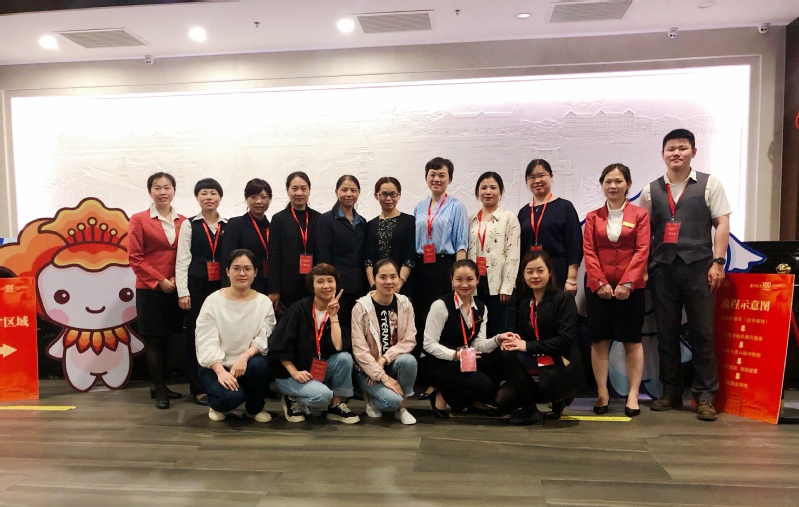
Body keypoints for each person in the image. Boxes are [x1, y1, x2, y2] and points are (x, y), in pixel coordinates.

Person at [640, 128, 731, 422]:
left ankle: (705, 396)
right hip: (662, 269)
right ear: (662, 154)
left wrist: (718, 262)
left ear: (693, 152)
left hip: (699, 268)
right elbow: (644, 233)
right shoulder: (650, 190)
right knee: (666, 333)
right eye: (671, 149)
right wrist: (644, 268)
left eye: (682, 148)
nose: (676, 153)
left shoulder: (709, 183)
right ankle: (671, 391)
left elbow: (722, 223)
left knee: (702, 333)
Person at [583, 164, 650, 417]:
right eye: (608, 181)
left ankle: (633, 394)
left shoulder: (640, 215)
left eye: (618, 181)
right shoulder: (592, 217)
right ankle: (603, 392)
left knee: (632, 341)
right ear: (602, 185)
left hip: (631, 289)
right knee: (599, 341)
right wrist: (600, 283)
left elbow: (642, 250)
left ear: (628, 184)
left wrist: (627, 283)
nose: (613, 186)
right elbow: (589, 252)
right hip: (598, 289)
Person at [422, 259, 516, 419]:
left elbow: (478, 344)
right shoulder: (440, 305)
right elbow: (428, 344)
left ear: (477, 280)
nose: (464, 284)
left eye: (470, 279)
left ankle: (471, 402)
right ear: (452, 280)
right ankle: (440, 392)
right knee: (485, 385)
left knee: (498, 361)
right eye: (459, 279)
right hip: (439, 362)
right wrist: (454, 355)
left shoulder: (481, 308)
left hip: (464, 359)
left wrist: (498, 339)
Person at [267, 263, 360, 424]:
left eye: (330, 281)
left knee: (344, 358)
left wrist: (333, 317)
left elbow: (338, 346)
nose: (326, 286)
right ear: (312, 286)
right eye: (320, 281)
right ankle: (291, 398)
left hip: (316, 369)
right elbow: (278, 347)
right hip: (290, 373)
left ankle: (336, 405)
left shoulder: (339, 310)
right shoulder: (298, 309)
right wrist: (294, 372)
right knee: (322, 396)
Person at [500, 251, 581, 425]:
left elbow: (565, 340)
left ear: (550, 272)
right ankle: (544, 398)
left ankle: (533, 411)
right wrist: (511, 341)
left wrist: (527, 346)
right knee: (502, 400)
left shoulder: (563, 299)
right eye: (529, 272)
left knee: (510, 356)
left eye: (540, 270)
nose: (534, 276)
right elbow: (522, 335)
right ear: (523, 275)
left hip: (559, 362)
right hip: (537, 361)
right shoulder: (525, 303)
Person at [195, 249, 276, 422]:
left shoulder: (264, 302)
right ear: (227, 271)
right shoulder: (213, 301)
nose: (242, 273)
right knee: (230, 398)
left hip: (247, 363)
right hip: (215, 366)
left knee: (261, 365)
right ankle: (216, 403)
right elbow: (205, 341)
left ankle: (254, 409)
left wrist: (244, 356)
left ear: (255, 272)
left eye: (247, 269)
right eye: (236, 268)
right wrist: (220, 371)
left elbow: (264, 337)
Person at [127, 172, 186, 409]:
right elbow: (135, 258)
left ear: (174, 191)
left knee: (169, 339)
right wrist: (160, 280)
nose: (163, 192)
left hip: (175, 287)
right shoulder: (139, 219)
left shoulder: (183, 221)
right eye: (157, 187)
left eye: (167, 187)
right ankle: (159, 389)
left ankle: (162, 384)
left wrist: (176, 280)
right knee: (153, 340)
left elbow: (185, 254)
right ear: (150, 191)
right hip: (150, 289)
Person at [176, 178, 227, 405]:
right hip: (196, 288)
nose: (209, 197)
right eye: (204, 193)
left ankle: (221, 382)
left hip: (222, 288)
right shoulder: (190, 225)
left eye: (213, 193)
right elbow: (182, 260)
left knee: (222, 335)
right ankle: (198, 387)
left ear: (220, 197)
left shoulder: (227, 225)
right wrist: (183, 292)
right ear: (197, 198)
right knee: (195, 336)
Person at [351, 259, 418, 425]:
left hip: (391, 364)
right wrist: (379, 374)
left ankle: (402, 408)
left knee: (409, 361)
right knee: (391, 402)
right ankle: (372, 396)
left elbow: (409, 340)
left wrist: (384, 359)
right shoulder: (361, 307)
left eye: (393, 277)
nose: (389, 281)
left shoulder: (405, 304)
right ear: (374, 279)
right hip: (367, 370)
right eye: (383, 277)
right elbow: (360, 350)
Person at [412, 157, 469, 350]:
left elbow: (461, 243)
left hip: (445, 266)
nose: (436, 179)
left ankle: (445, 354)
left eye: (442, 175)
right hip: (421, 266)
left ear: (449, 179)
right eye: (432, 174)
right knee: (422, 312)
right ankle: (424, 356)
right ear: (426, 177)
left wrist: (458, 275)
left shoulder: (456, 206)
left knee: (444, 312)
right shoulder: (419, 207)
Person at [467, 172, 521, 338]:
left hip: (498, 284)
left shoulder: (509, 218)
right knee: (478, 333)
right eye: (483, 188)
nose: (488, 192)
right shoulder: (471, 220)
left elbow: (513, 253)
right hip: (476, 284)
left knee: (499, 332)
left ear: (501, 191)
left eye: (493, 187)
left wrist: (507, 286)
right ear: (477, 192)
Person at [518, 159, 582, 293]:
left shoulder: (565, 207)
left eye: (541, 175)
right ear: (527, 181)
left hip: (558, 272)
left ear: (551, 176)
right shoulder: (523, 212)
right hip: (530, 276)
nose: (537, 180)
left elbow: (574, 244)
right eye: (532, 177)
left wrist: (571, 278)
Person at [316, 175, 368, 328]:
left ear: (359, 192)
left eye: (353, 190)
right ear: (336, 192)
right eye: (344, 190)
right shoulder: (326, 220)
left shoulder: (362, 222)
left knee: (360, 328)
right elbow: (323, 257)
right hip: (338, 288)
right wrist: (328, 286)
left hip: (360, 287)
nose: (349, 194)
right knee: (340, 328)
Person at [268, 172, 321, 313]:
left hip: (314, 284)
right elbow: (273, 255)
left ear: (309, 190)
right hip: (287, 287)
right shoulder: (278, 219)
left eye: (303, 188)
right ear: (287, 190)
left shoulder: (319, 218)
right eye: (294, 188)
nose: (299, 193)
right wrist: (274, 289)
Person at [220, 178, 272, 295]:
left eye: (264, 197)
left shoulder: (272, 227)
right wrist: (227, 289)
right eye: (253, 197)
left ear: (270, 199)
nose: (259, 201)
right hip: (243, 285)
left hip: (268, 286)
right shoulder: (236, 224)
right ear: (246, 199)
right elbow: (227, 259)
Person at [364, 177, 415, 296]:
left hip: (402, 287)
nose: (388, 198)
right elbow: (368, 259)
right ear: (376, 196)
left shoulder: (409, 221)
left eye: (393, 194)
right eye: (384, 194)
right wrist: (374, 285)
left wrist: (398, 284)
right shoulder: (370, 225)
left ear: (399, 195)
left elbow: (410, 258)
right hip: (377, 288)